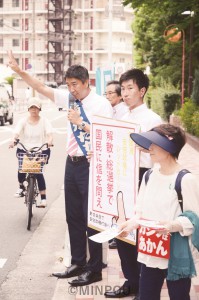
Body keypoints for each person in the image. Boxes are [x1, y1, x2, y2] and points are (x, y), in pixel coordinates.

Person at [7, 51, 113, 286]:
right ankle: (77, 262)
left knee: (91, 219)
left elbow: (108, 136)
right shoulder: (70, 100)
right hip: (71, 163)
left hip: (91, 165)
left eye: (75, 84)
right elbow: (43, 88)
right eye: (68, 85)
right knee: (73, 216)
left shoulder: (101, 104)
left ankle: (94, 268)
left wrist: (81, 124)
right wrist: (19, 71)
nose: (72, 89)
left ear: (86, 82)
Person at [119, 123, 199, 300]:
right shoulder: (149, 176)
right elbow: (140, 211)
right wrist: (131, 224)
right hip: (151, 248)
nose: (150, 148)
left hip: (175, 251)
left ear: (169, 147)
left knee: (179, 296)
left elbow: (194, 218)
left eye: (155, 144)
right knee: (147, 295)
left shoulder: (185, 179)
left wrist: (174, 225)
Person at [104, 68, 162, 299]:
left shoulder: (152, 119)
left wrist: (144, 147)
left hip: (143, 176)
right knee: (122, 231)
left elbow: (159, 154)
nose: (125, 93)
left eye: (130, 88)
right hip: (122, 177)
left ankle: (143, 284)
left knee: (140, 232)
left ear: (142, 90)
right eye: (123, 88)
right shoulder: (123, 118)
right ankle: (131, 280)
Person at [9, 97, 53, 208]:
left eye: (36, 108)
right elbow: (16, 132)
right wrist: (13, 140)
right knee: (22, 169)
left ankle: (43, 199)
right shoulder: (23, 121)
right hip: (25, 149)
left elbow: (49, 134)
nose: (34, 110)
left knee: (38, 173)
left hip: (40, 150)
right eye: (31, 108)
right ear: (28, 109)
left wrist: (49, 141)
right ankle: (21, 187)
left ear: (40, 109)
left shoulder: (44, 121)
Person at [104, 80, 128, 250]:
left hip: (121, 162)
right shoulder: (110, 110)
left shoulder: (123, 112)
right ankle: (114, 233)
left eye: (112, 93)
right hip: (112, 160)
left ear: (119, 95)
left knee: (120, 200)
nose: (108, 96)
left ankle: (118, 234)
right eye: (107, 93)